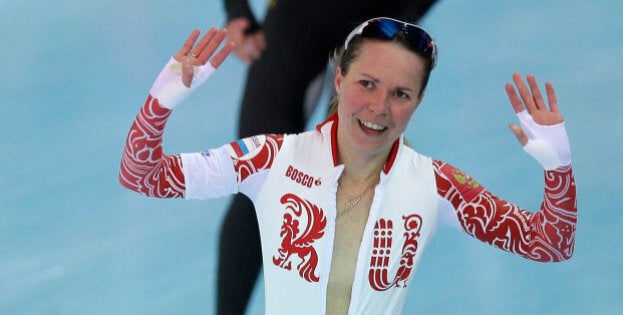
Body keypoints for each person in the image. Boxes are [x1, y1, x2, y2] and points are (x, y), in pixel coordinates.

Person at [119, 18, 577, 314]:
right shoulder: (270, 160)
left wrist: (559, 168)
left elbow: (550, 243)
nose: (379, 107)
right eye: (367, 83)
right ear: (338, 79)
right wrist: (161, 102)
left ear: (417, 103)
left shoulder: (437, 186)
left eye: (401, 94)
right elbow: (141, 175)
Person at [221, 1, 439, 312]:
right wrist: (237, 11)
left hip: (375, 23)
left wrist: (402, 22)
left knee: (346, 188)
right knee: (255, 176)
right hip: (297, 19)